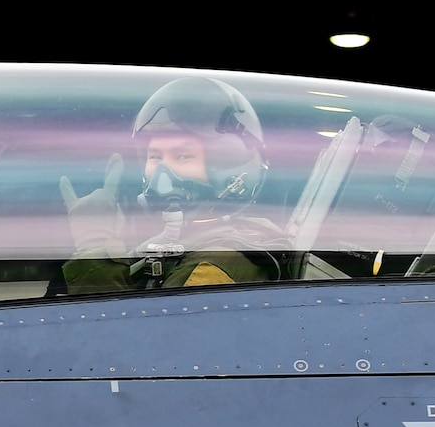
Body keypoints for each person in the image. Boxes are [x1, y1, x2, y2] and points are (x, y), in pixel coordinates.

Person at [59, 76, 285, 293]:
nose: (161, 173)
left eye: (183, 157)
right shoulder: (192, 244)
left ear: (231, 174)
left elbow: (121, 332)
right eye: (155, 157)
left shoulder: (214, 268)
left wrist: (94, 246)